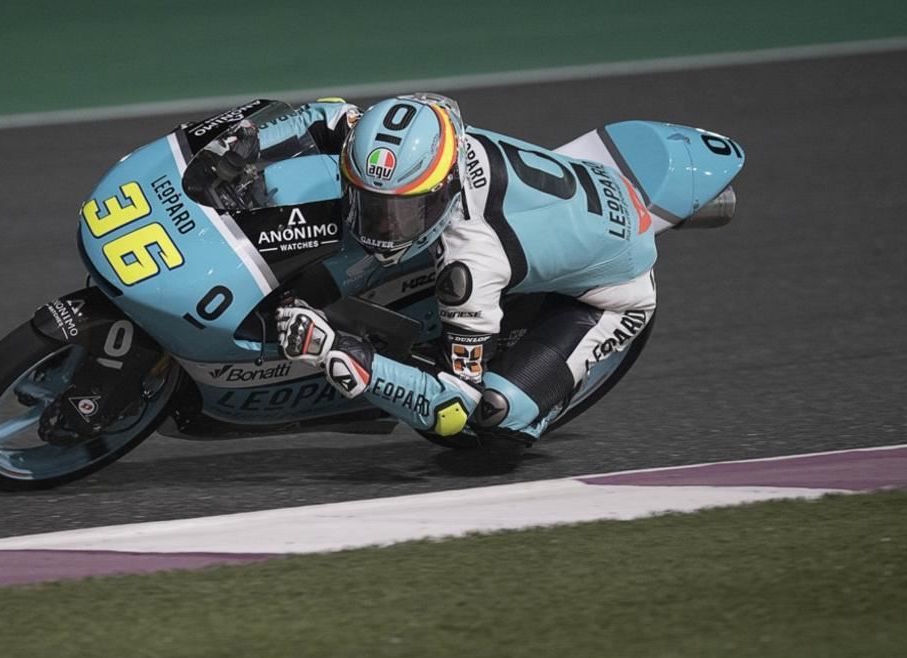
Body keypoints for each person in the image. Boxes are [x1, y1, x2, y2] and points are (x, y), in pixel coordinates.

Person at [276, 94, 657, 455]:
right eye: (369, 205)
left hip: (612, 294)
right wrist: (241, 144)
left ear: (445, 190)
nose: (382, 228)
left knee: (492, 420)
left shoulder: (474, 260)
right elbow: (324, 115)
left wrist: (334, 351)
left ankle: (539, 409)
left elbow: (451, 408)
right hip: (573, 201)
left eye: (404, 213)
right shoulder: (422, 139)